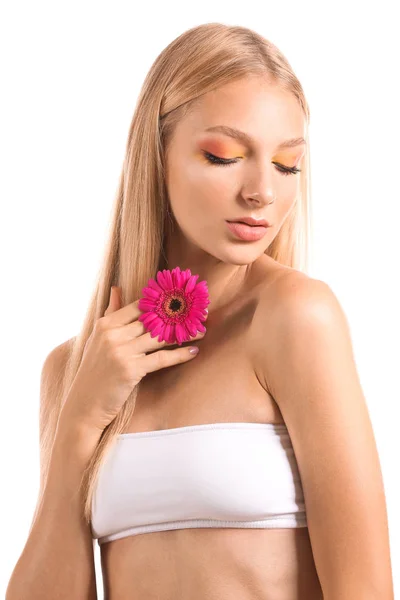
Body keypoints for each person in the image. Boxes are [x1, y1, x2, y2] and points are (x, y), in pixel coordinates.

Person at [6, 22, 394, 600]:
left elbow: (365, 589)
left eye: (288, 165)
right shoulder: (73, 370)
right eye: (225, 156)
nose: (263, 190)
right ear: (155, 156)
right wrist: (78, 425)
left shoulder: (294, 317)